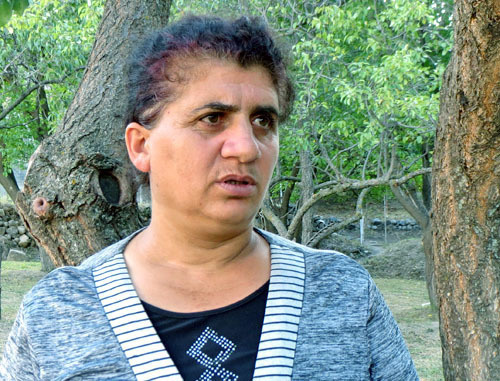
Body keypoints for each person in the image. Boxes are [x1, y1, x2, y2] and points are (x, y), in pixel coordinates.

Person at [0, 15, 419, 380]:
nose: (246, 147)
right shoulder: (60, 313)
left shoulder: (343, 294)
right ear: (141, 146)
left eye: (263, 121)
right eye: (212, 118)